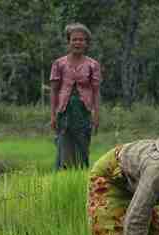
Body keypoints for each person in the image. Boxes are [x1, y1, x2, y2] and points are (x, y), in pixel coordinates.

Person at [49, 23, 101, 169]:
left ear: (86, 43)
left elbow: (96, 92)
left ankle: (81, 179)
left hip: (83, 112)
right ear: (69, 42)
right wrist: (53, 116)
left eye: (81, 40)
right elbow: (54, 91)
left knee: (83, 150)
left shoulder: (93, 65)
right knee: (64, 149)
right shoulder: (59, 64)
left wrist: (96, 115)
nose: (78, 43)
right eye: (74, 39)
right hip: (64, 112)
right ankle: (62, 180)